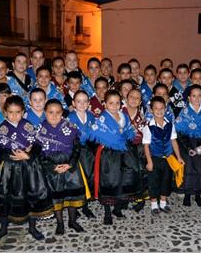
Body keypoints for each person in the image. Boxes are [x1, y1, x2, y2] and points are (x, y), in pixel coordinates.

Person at [0, 95, 53, 241]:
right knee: (5, 196)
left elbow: (38, 144)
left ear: (23, 111)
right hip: (9, 169)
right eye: (10, 112)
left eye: (17, 112)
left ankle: (32, 227)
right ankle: (3, 228)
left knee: (30, 194)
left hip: (29, 167)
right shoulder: (1, 128)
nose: (14, 115)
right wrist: (13, 154)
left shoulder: (28, 125)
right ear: (5, 112)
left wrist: (28, 155)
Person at [90, 90, 142, 225]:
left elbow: (129, 132)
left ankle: (118, 208)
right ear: (105, 104)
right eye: (111, 103)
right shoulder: (102, 118)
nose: (114, 106)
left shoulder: (123, 115)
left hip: (124, 151)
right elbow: (94, 134)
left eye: (117, 103)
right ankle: (107, 212)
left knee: (125, 179)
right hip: (108, 154)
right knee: (109, 181)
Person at [35, 99, 86, 235]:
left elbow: (77, 148)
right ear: (45, 113)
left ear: (62, 113)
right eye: (51, 112)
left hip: (70, 167)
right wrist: (52, 167)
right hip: (52, 169)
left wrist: (70, 164)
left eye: (58, 112)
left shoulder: (71, 127)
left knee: (72, 195)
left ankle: (72, 221)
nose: (54, 115)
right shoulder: (40, 130)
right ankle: (60, 223)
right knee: (57, 197)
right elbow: (38, 154)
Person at [175, 85, 201, 207]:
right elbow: (180, 133)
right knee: (190, 168)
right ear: (189, 98)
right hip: (189, 142)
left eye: (199, 95)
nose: (197, 98)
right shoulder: (185, 112)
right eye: (193, 96)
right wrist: (188, 148)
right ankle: (187, 195)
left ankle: (198, 194)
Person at [143, 96, 184, 215]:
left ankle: (163, 202)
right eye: (156, 108)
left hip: (168, 158)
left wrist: (179, 157)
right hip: (155, 158)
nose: (159, 111)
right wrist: (149, 161)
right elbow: (146, 146)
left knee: (166, 180)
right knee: (154, 181)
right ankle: (154, 204)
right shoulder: (148, 127)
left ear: (165, 109)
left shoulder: (170, 124)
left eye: (162, 108)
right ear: (151, 110)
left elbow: (174, 141)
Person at [67, 90, 97, 218]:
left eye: (85, 101)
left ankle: (85, 205)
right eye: (79, 101)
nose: (82, 104)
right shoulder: (70, 117)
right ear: (73, 103)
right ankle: (76, 205)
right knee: (78, 179)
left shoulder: (91, 116)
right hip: (75, 151)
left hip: (88, 151)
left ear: (89, 103)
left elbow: (95, 132)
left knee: (89, 175)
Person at [122, 89, 148, 212]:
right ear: (126, 98)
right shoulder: (120, 113)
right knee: (125, 174)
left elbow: (146, 136)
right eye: (131, 96)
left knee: (139, 172)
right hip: (122, 148)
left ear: (140, 102)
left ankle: (139, 198)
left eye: (137, 98)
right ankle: (124, 198)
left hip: (138, 148)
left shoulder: (142, 117)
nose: (134, 99)